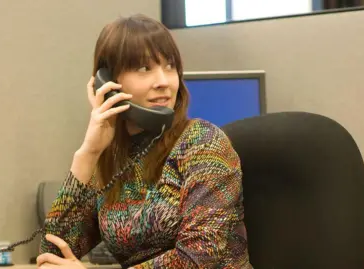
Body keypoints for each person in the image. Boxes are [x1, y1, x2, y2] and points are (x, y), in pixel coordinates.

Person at [36, 14, 252, 269]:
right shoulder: (113, 162)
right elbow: (52, 253)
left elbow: (197, 259)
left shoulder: (203, 143)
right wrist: (88, 154)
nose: (163, 81)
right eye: (143, 68)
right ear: (109, 82)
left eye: (170, 66)